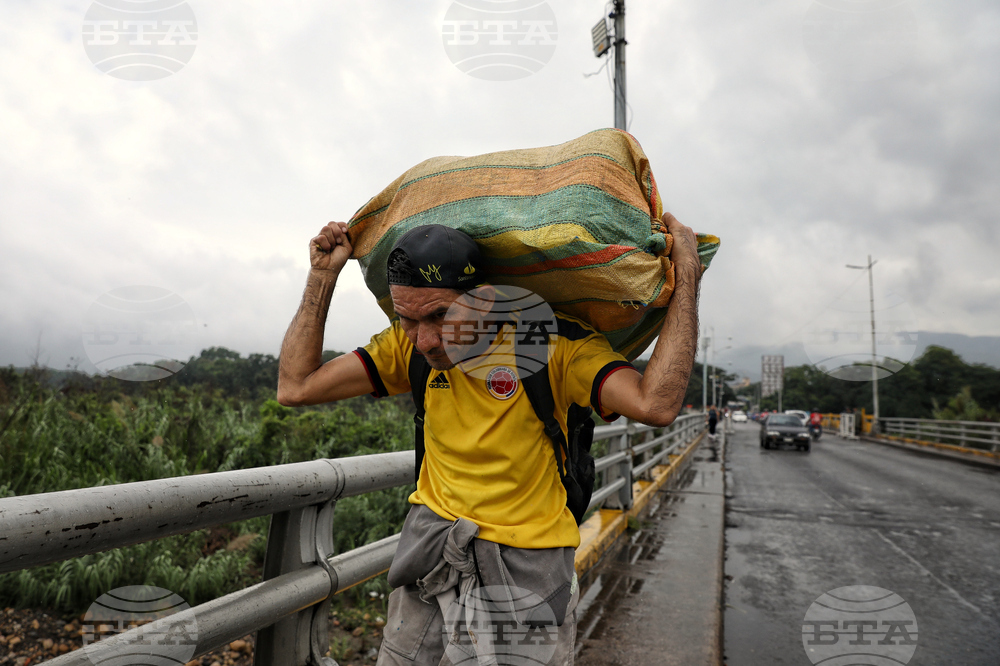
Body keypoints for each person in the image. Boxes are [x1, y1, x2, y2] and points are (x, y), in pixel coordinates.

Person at [277, 214, 702, 665]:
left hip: (525, 570)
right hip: (431, 555)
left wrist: (687, 277)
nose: (424, 340)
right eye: (407, 319)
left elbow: (655, 405)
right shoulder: (408, 349)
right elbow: (296, 386)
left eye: (441, 315)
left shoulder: (549, 342)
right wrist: (323, 276)